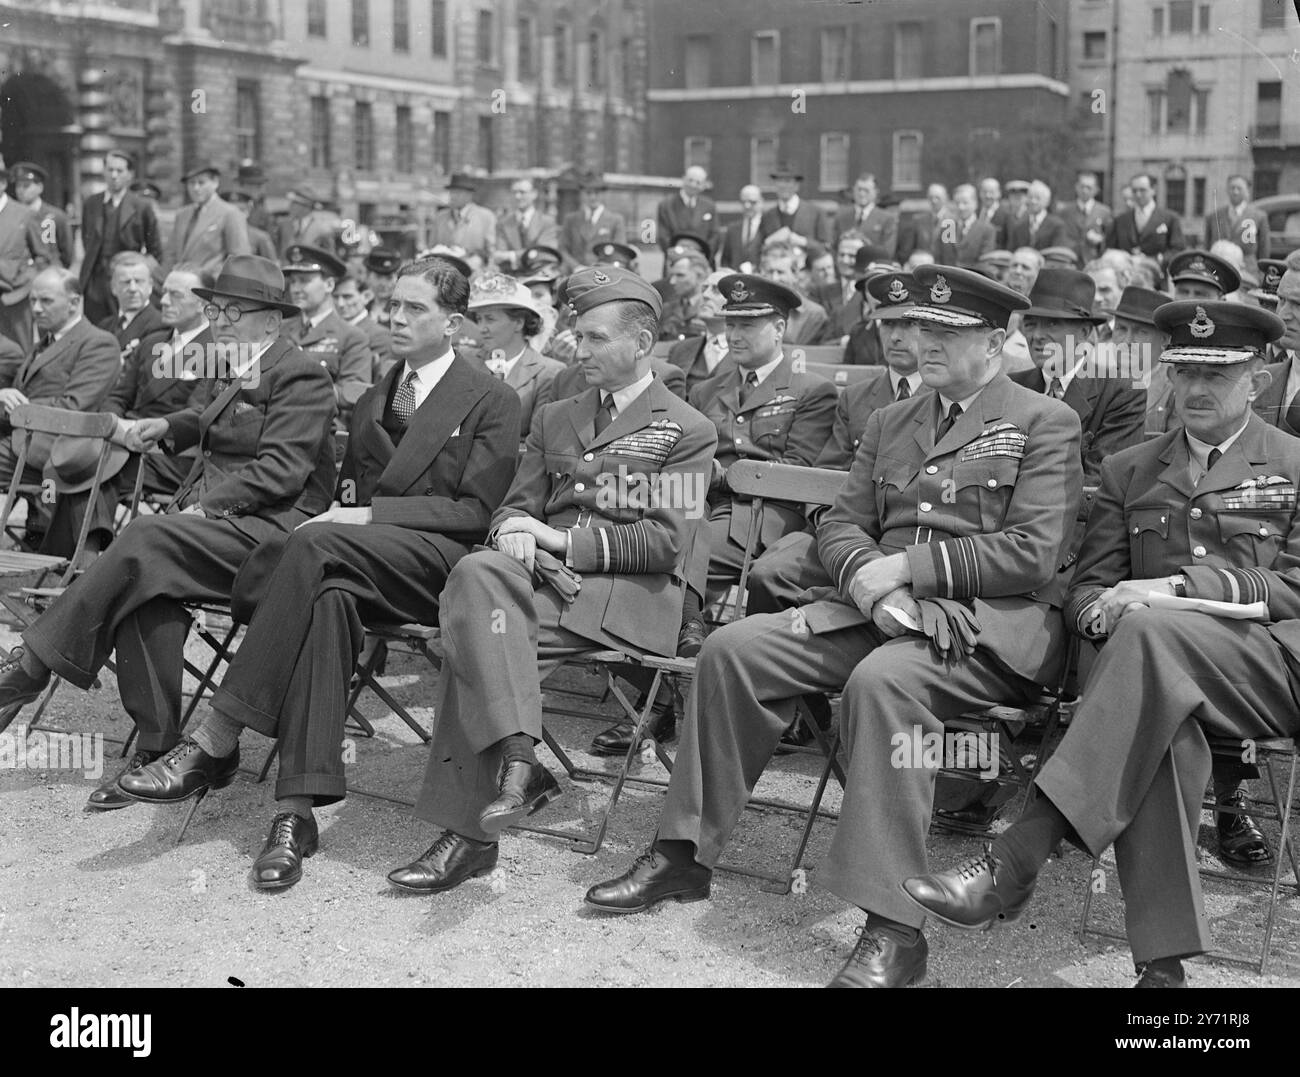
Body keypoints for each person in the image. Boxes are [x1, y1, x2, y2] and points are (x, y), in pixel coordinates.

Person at [585, 264, 1083, 991]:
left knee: (883, 683)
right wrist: (865, 582)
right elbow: (842, 520)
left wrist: (906, 568)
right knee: (734, 647)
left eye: (948, 330)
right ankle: (682, 854)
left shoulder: (1043, 419)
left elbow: (1034, 552)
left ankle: (893, 931)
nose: (925, 341)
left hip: (989, 626)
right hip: (881, 611)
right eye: (918, 328)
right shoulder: (893, 418)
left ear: (1000, 339)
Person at [903, 300, 1297, 989]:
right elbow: (1088, 593)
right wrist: (1104, 619)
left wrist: (1174, 590)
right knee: (1162, 717)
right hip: (1153, 677)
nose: (1196, 390)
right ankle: (1163, 970)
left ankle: (1020, 854)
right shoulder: (1129, 469)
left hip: (1274, 667)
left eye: (1220, 374)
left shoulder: (1294, 462)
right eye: (1183, 372)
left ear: (1257, 381)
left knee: (1150, 639)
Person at [123, 258, 521, 888]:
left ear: (454, 322)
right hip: (354, 561)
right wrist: (354, 518)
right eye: (392, 304)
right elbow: (347, 494)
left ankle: (215, 736)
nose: (396, 317)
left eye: (415, 308)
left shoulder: (492, 398)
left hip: (441, 563)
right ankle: (295, 812)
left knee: (314, 546)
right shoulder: (370, 402)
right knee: (328, 598)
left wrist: (371, 514)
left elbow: (476, 512)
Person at [385, 266, 717, 894]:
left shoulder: (687, 429)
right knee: (483, 576)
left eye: (594, 338)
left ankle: (473, 834)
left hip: (626, 595)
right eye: (577, 336)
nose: (578, 349)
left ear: (642, 344)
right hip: (539, 587)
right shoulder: (556, 414)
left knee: (473, 633)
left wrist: (559, 539)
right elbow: (515, 502)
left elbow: (666, 543)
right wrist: (514, 527)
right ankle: (516, 765)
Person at [0, 255, 337, 814]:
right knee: (145, 585)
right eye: (215, 308)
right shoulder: (236, 365)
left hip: (273, 537)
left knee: (146, 538)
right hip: (223, 528)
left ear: (272, 321)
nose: (222, 319)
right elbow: (215, 424)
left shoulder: (298, 373)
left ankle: (30, 666)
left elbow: (281, 471)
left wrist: (205, 510)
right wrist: (172, 426)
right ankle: (156, 749)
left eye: (236, 310)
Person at [745, 271, 929, 618]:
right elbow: (826, 475)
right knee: (767, 573)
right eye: (887, 326)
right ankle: (775, 660)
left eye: (909, 325)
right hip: (846, 527)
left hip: (907, 537)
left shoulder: (944, 397)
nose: (896, 336)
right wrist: (833, 527)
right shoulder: (857, 398)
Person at [686, 274, 837, 608]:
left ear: (780, 328)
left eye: (748, 326)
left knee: (686, 554)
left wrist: (725, 477)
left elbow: (799, 472)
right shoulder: (705, 390)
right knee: (655, 544)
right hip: (703, 508)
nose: (735, 336)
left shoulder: (810, 390)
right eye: (731, 326)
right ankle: (686, 632)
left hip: (767, 515)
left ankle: (688, 634)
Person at [0, 268, 120, 503]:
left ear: (74, 303)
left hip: (56, 451)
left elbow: (73, 406)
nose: (35, 308)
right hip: (24, 439)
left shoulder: (99, 343)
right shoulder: (44, 344)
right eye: (33, 300)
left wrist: (13, 407)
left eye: (46, 301)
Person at [280, 244, 373, 430]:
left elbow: (353, 394)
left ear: (329, 285)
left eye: (304, 281)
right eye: (293, 281)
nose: (296, 289)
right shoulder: (279, 330)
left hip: (324, 429)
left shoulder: (352, 337)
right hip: (276, 423)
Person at [469, 272, 564, 444]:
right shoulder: (465, 362)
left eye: (490, 319)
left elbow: (539, 442)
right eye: (479, 319)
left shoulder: (549, 372)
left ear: (519, 323)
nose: (482, 328)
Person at [76, 151, 162, 326]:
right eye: (110, 170)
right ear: (104, 172)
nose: (114, 175)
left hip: (126, 280)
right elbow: (87, 241)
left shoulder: (141, 207)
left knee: (126, 325)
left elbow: (155, 251)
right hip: (95, 283)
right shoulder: (91, 203)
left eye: (120, 171)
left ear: (130, 174)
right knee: (96, 328)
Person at [0, 157, 53, 349]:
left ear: (3, 183)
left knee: (20, 350)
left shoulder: (24, 214)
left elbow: (43, 255)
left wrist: (27, 280)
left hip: (15, 297)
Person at [168, 163, 250, 278]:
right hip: (179, 284)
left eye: (201, 182)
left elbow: (240, 259)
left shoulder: (230, 213)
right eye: (191, 183)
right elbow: (171, 253)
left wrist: (207, 275)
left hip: (209, 287)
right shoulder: (182, 214)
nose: (196, 188)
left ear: (215, 183)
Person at [666, 270, 734, 392]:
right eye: (704, 289)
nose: (705, 295)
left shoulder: (750, 350)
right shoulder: (680, 350)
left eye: (716, 290)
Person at [1105, 172, 1185, 270]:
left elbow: (1178, 250)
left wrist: (1155, 260)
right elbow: (1111, 249)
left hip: (1158, 277)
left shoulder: (1170, 218)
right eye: (1134, 191)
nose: (1138, 195)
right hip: (1127, 277)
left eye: (1142, 190)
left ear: (1153, 190)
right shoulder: (1120, 220)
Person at [558, 173, 626, 271]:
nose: (592, 197)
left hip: (604, 275)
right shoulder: (571, 219)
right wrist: (576, 267)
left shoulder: (616, 220)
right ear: (582, 194)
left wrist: (598, 270)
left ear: (603, 194)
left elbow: (619, 252)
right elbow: (562, 249)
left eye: (597, 193)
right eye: (588, 193)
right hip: (575, 274)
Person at [10, 162, 72, 268]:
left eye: (26, 186)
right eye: (18, 186)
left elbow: (67, 254)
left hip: (49, 275)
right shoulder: (11, 216)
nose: (21, 190)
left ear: (40, 187)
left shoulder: (56, 216)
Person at [98, 251, 164, 352]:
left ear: (150, 286)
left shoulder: (160, 325)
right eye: (126, 282)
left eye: (138, 281)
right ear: (113, 287)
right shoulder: (104, 327)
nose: (133, 289)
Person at [1204, 174, 1270, 272]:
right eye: (1232, 188)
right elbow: (1207, 247)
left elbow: (1264, 249)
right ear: (1227, 190)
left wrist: (1262, 273)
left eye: (1239, 188)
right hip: (1219, 269)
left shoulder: (1259, 216)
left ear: (1247, 191)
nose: (1235, 192)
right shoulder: (1214, 217)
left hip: (1248, 270)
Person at [333, 274, 392, 381]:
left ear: (366, 297)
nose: (340, 304)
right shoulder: (330, 331)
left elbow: (381, 381)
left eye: (347, 297)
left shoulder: (380, 336)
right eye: (336, 297)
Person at [494, 177, 559, 272]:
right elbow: (500, 257)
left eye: (522, 192)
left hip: (539, 276)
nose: (517, 196)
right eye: (514, 192)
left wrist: (512, 256)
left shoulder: (547, 222)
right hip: (511, 276)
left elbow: (545, 253)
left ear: (534, 194)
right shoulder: (503, 223)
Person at [761, 162, 832, 248]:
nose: (783, 185)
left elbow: (826, 247)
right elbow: (759, 249)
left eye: (787, 181)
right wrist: (770, 241)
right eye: (779, 181)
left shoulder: (816, 213)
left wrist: (803, 242)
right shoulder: (767, 216)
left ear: (797, 185)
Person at [656, 166, 718, 256]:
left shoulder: (709, 206)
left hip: (703, 263)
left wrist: (703, 256)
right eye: (690, 180)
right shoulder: (666, 205)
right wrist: (679, 256)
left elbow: (714, 236)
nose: (693, 185)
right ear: (683, 179)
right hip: (675, 262)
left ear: (704, 185)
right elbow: (663, 237)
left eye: (698, 182)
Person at [931, 184, 995, 268]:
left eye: (965, 203)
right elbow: (940, 257)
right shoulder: (948, 227)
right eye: (957, 203)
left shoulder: (986, 229)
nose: (961, 207)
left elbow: (985, 262)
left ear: (975, 204)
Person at [834, 173, 897, 257]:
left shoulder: (887, 219)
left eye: (866, 190)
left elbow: (888, 251)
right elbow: (833, 247)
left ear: (875, 192)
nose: (862, 194)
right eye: (859, 189)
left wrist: (865, 242)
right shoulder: (841, 217)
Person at [1059, 171, 1113, 265]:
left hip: (1093, 260)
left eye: (1089, 187)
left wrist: (1100, 239)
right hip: (1069, 259)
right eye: (1082, 186)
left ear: (1096, 190)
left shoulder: (1104, 211)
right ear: (1076, 187)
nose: (1084, 190)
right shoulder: (1065, 211)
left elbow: (1110, 238)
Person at [1005, 181, 1068, 251]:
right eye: (1030, 197)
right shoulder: (1019, 226)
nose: (1033, 201)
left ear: (1047, 202)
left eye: (1038, 198)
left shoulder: (1057, 225)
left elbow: (1057, 253)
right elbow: (1011, 251)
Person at [719, 185, 765, 272]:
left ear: (761, 202)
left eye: (752, 202)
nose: (747, 206)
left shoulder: (767, 226)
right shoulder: (732, 229)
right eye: (743, 202)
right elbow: (725, 260)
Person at [226, 190, 278, 262]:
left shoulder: (260, 237)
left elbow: (272, 268)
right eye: (231, 212)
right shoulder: (218, 236)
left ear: (249, 210)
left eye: (241, 210)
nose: (236, 215)